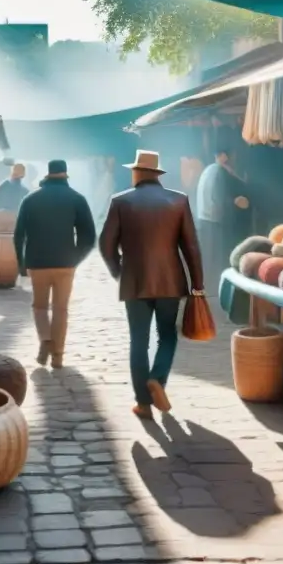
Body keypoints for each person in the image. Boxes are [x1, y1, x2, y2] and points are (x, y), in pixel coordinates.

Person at [99, 150, 204, 420]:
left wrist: (119, 272)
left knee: (138, 341)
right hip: (171, 282)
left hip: (134, 282)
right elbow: (191, 247)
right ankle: (157, 378)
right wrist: (198, 285)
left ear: (137, 173)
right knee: (167, 335)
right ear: (156, 175)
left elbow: (106, 245)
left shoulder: (120, 202)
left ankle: (143, 404)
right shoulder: (178, 201)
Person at [13, 159, 96, 369]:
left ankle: (45, 339)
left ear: (48, 174)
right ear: (66, 174)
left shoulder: (30, 199)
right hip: (65, 263)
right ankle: (57, 356)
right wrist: (76, 258)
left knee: (39, 307)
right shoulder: (77, 199)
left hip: (37, 262)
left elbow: (18, 235)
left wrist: (21, 264)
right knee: (61, 310)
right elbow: (89, 237)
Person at [196, 148, 250, 292]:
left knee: (209, 260)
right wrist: (235, 202)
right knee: (219, 261)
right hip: (215, 223)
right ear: (225, 156)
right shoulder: (219, 172)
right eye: (232, 156)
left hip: (204, 220)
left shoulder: (208, 170)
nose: (234, 159)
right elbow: (219, 200)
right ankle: (218, 291)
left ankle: (209, 289)